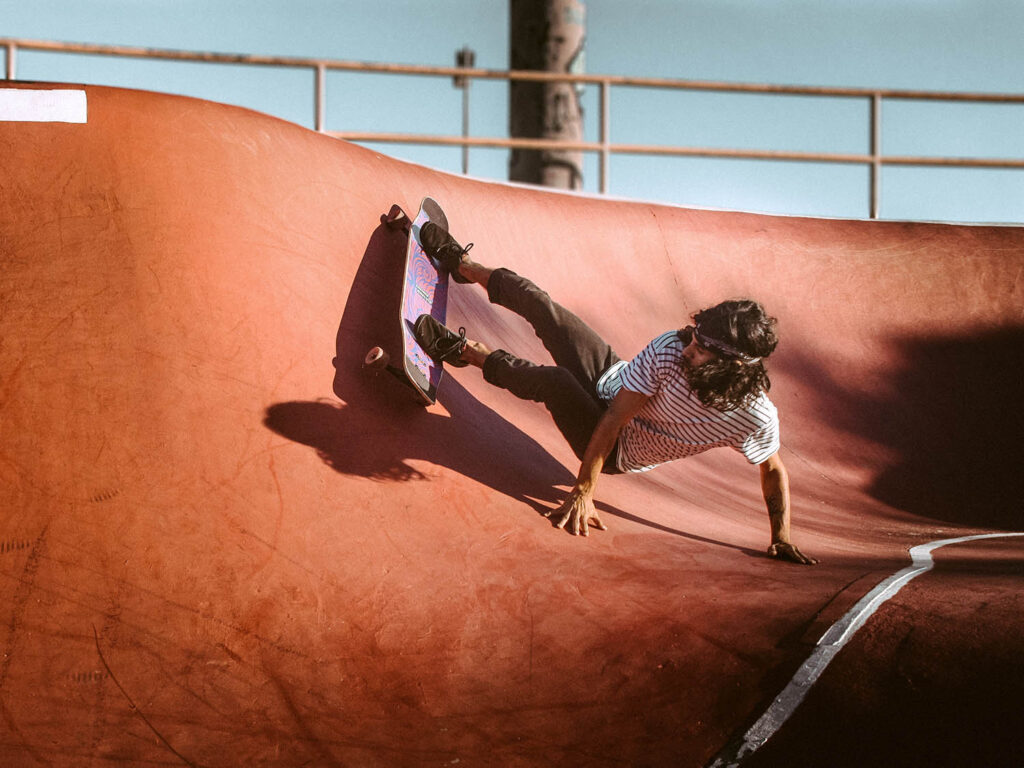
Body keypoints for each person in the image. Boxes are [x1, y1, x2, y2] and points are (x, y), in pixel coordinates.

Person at [412, 222, 817, 565]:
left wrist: (780, 537)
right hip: (612, 382)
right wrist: (583, 489)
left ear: (734, 364)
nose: (688, 349)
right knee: (544, 307)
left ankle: (466, 352)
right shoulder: (671, 348)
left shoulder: (753, 416)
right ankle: (464, 266)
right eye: (694, 336)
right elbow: (616, 410)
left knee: (556, 382)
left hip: (618, 450)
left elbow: (772, 467)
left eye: (701, 350)